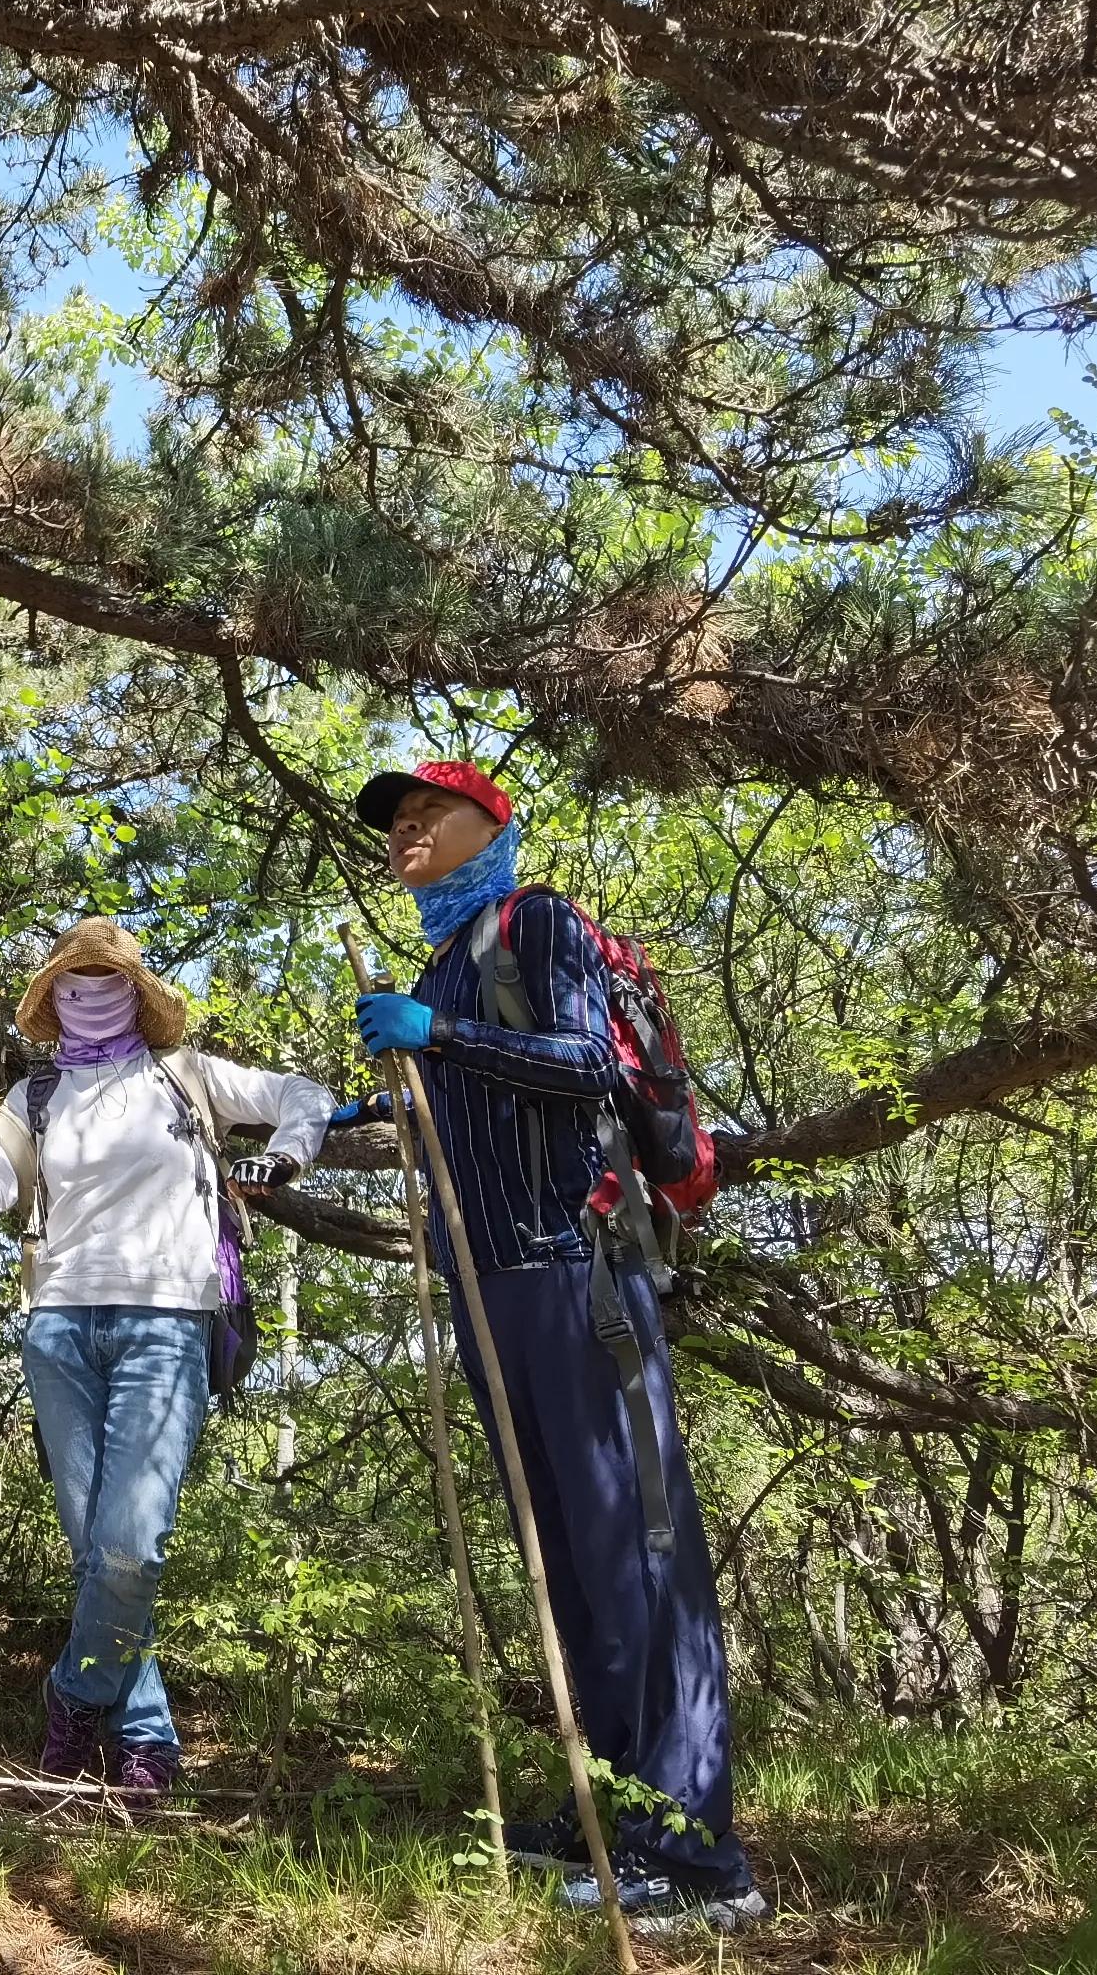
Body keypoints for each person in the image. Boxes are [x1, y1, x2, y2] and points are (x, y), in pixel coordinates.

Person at [350, 758, 767, 1934]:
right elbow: (485, 1101)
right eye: (396, 824)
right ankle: (615, 1812)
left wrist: (440, 1032)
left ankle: (697, 1859)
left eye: (429, 813)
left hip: (575, 1272)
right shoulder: (446, 958)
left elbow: (584, 1063)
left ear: (494, 822)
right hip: (491, 1286)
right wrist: (393, 1094)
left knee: (637, 1551)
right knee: (566, 1555)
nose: (407, 833)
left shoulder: (531, 922)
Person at [0, 918, 336, 1798]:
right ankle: (147, 1741)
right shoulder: (35, 1097)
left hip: (168, 1323)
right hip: (59, 1328)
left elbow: (306, 1095)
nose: (88, 993)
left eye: (104, 979)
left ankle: (74, 1694)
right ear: (52, 998)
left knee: (130, 1550)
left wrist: (283, 1159)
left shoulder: (187, 1077)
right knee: (95, 1555)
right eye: (72, 982)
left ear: (137, 994)